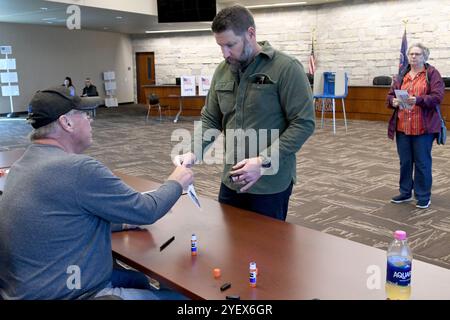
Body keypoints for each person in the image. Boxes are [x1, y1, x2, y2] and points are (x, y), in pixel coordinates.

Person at [0, 86, 194, 300]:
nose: (91, 120)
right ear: (67, 122)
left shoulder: (21, 166)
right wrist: (177, 181)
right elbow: (147, 210)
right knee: (182, 299)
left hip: (34, 286)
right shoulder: (78, 169)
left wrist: (124, 224)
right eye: (85, 114)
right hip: (72, 293)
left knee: (139, 280)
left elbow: (61, 220)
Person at [174, 5, 315, 221]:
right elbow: (211, 118)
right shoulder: (222, 70)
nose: (225, 53)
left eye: (231, 45)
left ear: (250, 34)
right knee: (230, 245)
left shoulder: (286, 68)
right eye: (220, 46)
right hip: (231, 181)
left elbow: (303, 123)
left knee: (266, 249)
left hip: (269, 183)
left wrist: (263, 161)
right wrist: (193, 151)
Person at [386, 43, 445, 209]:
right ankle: (405, 193)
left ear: (424, 56)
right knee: (405, 162)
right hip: (403, 126)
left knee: (422, 162)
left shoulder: (432, 74)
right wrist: (394, 101)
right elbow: (389, 96)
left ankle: (423, 196)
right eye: (411, 54)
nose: (413, 57)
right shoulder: (401, 75)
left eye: (417, 54)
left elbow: (438, 97)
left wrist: (418, 100)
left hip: (423, 128)